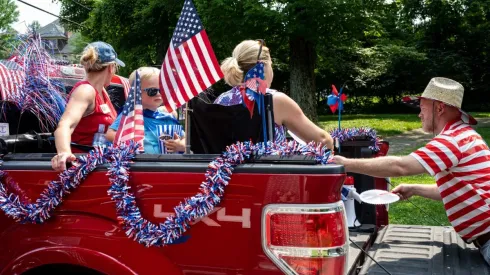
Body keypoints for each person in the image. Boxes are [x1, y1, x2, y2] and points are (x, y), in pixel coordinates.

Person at [332, 77, 490, 265]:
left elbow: (400, 166)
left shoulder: (452, 140)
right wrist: (416, 189)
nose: (419, 115)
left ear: (439, 108)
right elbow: (464, 191)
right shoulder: (465, 135)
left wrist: (345, 163)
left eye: (422, 108)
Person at [215, 40, 334, 150]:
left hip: (225, 171)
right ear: (263, 66)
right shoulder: (274, 100)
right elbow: (323, 141)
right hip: (270, 171)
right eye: (271, 64)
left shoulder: (220, 100)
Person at [52, 41, 124, 172]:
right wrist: (64, 152)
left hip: (100, 164)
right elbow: (65, 125)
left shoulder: (103, 92)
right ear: (111, 68)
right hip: (82, 167)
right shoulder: (85, 90)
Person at [105, 67, 185, 154]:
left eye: (162, 90)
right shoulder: (131, 115)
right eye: (152, 91)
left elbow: (186, 139)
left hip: (170, 165)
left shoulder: (167, 118)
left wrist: (181, 145)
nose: (158, 94)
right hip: (141, 164)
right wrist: (133, 141)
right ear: (136, 93)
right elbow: (110, 134)